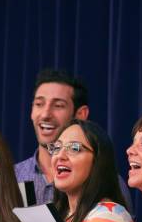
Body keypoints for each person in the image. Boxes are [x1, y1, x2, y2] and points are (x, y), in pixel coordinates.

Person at [15, 68, 133, 212]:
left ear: (80, 114)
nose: (45, 114)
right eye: (39, 104)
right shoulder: (12, 177)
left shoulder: (106, 183)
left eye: (58, 105)